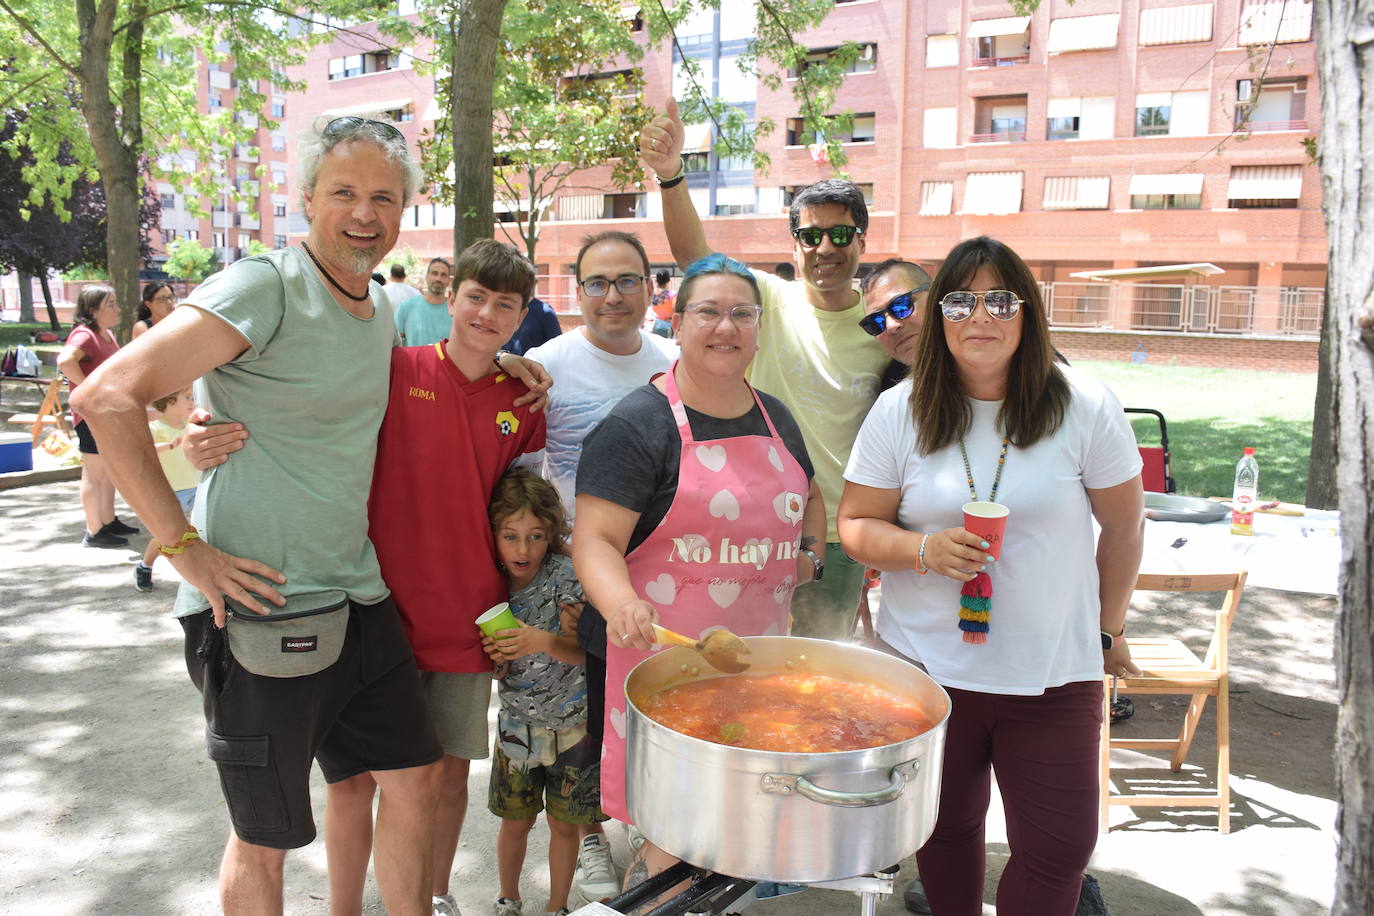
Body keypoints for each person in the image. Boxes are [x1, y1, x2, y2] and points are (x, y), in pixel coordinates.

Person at [71, 115, 445, 916]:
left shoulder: (379, 307)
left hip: (358, 595)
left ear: (404, 209)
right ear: (306, 196)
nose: (364, 213)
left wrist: (517, 363)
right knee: (266, 837)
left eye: (384, 196)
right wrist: (182, 547)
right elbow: (105, 395)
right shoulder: (265, 283)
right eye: (343, 192)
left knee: (415, 779)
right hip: (261, 609)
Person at [837, 236, 1145, 916]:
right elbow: (855, 525)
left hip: (1054, 672)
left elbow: (1124, 528)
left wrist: (1106, 630)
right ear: (940, 314)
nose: (981, 315)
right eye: (961, 300)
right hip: (928, 670)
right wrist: (922, 551)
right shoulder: (901, 411)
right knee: (944, 834)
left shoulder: (1083, 405)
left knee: (1060, 848)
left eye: (1000, 299)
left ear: (1028, 313)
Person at [573, 254, 825, 904]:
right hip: (664, 680)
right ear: (678, 323)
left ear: (758, 330)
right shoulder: (636, 426)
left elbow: (812, 497)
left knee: (746, 841)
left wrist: (810, 560)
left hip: (756, 673)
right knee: (676, 853)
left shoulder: (777, 418)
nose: (726, 327)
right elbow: (595, 540)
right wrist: (619, 598)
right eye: (709, 311)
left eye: (742, 313)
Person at [322, 238, 548, 916]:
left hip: (467, 616)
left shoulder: (525, 400)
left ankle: (434, 894)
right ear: (450, 297)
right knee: (357, 778)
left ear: (521, 315)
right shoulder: (393, 368)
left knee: (447, 778)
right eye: (475, 297)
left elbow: (521, 512)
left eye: (504, 305)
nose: (486, 314)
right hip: (374, 609)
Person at [641, 97, 886, 642]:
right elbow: (693, 257)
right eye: (811, 235)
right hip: (753, 523)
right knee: (738, 663)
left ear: (861, 243)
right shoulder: (766, 301)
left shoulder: (885, 327)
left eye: (840, 235)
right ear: (794, 245)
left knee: (814, 676)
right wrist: (672, 175)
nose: (825, 247)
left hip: (838, 538)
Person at [522, 230, 677, 905]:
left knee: (654, 716)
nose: (611, 296)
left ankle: (655, 840)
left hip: (663, 572)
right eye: (596, 283)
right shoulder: (542, 366)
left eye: (626, 281)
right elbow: (520, 473)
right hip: (569, 570)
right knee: (576, 722)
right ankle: (586, 836)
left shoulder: (676, 362)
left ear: (651, 287)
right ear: (576, 291)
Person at [481, 468, 605, 916]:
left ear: (551, 532)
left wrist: (542, 640)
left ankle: (557, 906)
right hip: (518, 727)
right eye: (510, 536)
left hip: (574, 727)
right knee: (515, 822)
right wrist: (495, 658)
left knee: (565, 825)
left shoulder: (567, 577)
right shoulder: (487, 583)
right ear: (492, 533)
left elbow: (586, 654)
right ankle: (507, 899)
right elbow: (494, 667)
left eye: (535, 536)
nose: (522, 549)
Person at [57, 285, 136, 548]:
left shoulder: (105, 334)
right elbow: (65, 360)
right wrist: (88, 388)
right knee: (94, 473)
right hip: (90, 416)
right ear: (93, 310)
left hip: (105, 414)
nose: (118, 309)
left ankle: (108, 520)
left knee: (108, 472)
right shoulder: (84, 334)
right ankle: (94, 530)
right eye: (110, 304)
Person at [133, 387, 199, 591]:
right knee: (168, 535)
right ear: (169, 402)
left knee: (203, 529)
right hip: (172, 491)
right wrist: (169, 446)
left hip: (197, 486)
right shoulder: (155, 428)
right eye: (187, 398)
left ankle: (198, 573)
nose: (192, 402)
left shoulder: (191, 425)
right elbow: (143, 451)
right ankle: (145, 566)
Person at [859, 258, 931, 391]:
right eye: (876, 322)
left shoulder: (978, 368)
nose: (891, 326)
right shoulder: (890, 395)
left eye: (901, 306)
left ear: (934, 296)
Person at [395, 256, 455, 346]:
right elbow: (395, 342)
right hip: (413, 360)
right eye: (434, 273)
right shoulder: (406, 307)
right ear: (426, 277)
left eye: (443, 275)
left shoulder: (455, 311)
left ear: (449, 280)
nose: (438, 279)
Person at [648, 269, 674, 337]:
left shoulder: (652, 294)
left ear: (657, 281)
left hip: (656, 325)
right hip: (669, 326)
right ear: (668, 280)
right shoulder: (673, 295)